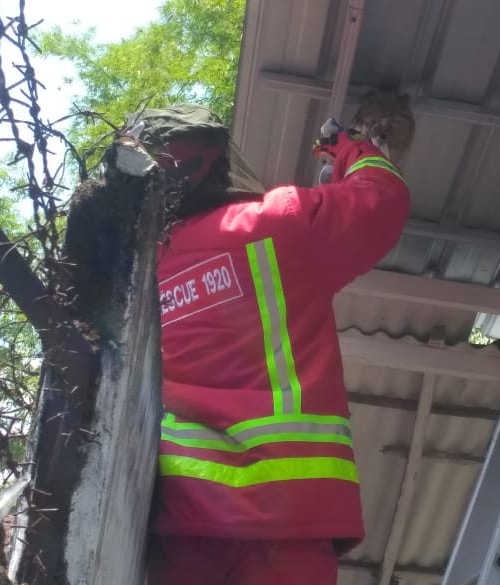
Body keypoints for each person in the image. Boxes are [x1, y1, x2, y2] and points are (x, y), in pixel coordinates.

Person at [138, 104, 411, 585]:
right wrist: (348, 148)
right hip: (287, 519)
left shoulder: (140, 275)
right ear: (219, 161)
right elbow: (382, 199)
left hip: (182, 523)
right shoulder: (279, 222)